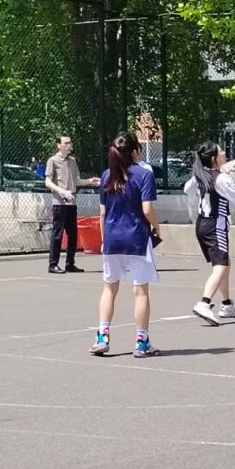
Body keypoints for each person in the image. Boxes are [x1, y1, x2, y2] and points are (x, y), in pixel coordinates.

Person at [90, 133, 161, 357]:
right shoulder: (144, 174)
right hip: (137, 238)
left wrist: (105, 239)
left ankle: (102, 337)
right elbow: (147, 209)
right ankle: (142, 342)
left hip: (112, 238)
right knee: (140, 291)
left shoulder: (106, 176)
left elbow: (102, 213)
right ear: (135, 151)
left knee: (109, 288)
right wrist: (157, 226)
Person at [184, 142, 235, 325]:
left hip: (201, 223)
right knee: (221, 266)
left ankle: (226, 304)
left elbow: (187, 190)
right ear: (214, 158)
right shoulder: (221, 179)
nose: (224, 152)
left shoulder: (200, 175)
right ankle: (204, 303)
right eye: (221, 151)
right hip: (215, 225)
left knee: (224, 263)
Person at [45, 135, 100, 274]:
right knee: (57, 234)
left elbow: (77, 181)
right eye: (66, 143)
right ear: (59, 145)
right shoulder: (52, 161)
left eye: (70, 143)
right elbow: (48, 182)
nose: (69, 145)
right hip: (59, 204)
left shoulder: (72, 161)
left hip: (72, 203)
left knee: (73, 235)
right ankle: (53, 264)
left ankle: (70, 264)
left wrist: (89, 181)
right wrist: (62, 192)